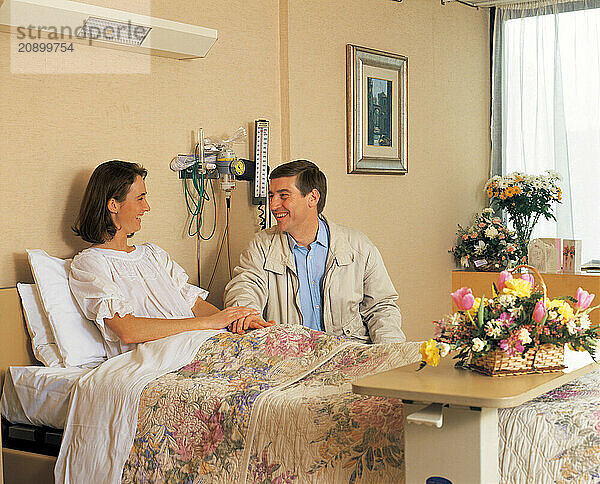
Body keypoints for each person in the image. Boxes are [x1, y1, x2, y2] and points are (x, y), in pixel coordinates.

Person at [69, 160, 271, 358]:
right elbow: (127, 330)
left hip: (199, 344)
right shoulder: (89, 264)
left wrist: (235, 320)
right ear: (113, 205)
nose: (146, 207)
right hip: (160, 359)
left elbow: (195, 305)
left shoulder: (153, 254)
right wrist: (208, 324)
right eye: (140, 199)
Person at [224, 160, 406, 344]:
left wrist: (390, 356)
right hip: (291, 361)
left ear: (313, 197)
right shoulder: (261, 246)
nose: (272, 205)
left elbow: (382, 308)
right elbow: (245, 287)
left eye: (283, 196)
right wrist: (245, 313)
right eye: (271, 196)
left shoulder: (358, 247)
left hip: (350, 358)